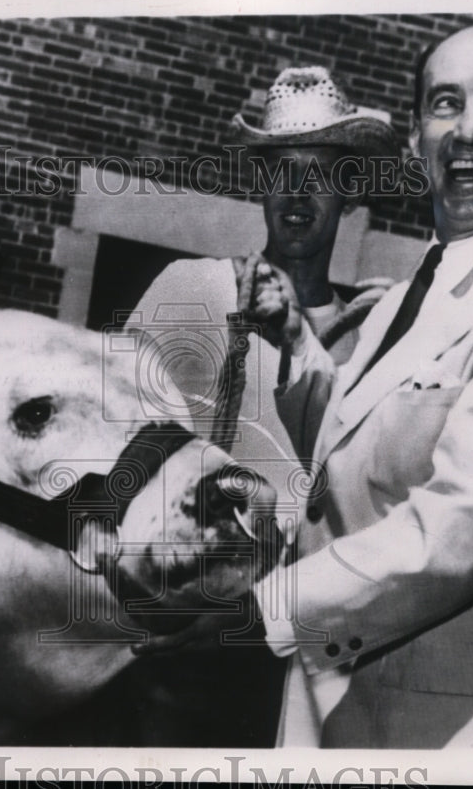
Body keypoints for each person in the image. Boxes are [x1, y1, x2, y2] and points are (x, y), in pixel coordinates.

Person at [240, 24, 473, 748]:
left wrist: (256, 610)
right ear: (416, 138)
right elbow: (353, 455)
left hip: (453, 738)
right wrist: (295, 345)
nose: (467, 131)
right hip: (341, 708)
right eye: (445, 104)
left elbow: (455, 535)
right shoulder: (410, 294)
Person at [115, 67, 398, 747]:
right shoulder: (194, 289)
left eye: (320, 174)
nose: (298, 193)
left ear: (350, 190)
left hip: (314, 656)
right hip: (190, 652)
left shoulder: (376, 332)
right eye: (281, 171)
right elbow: (115, 442)